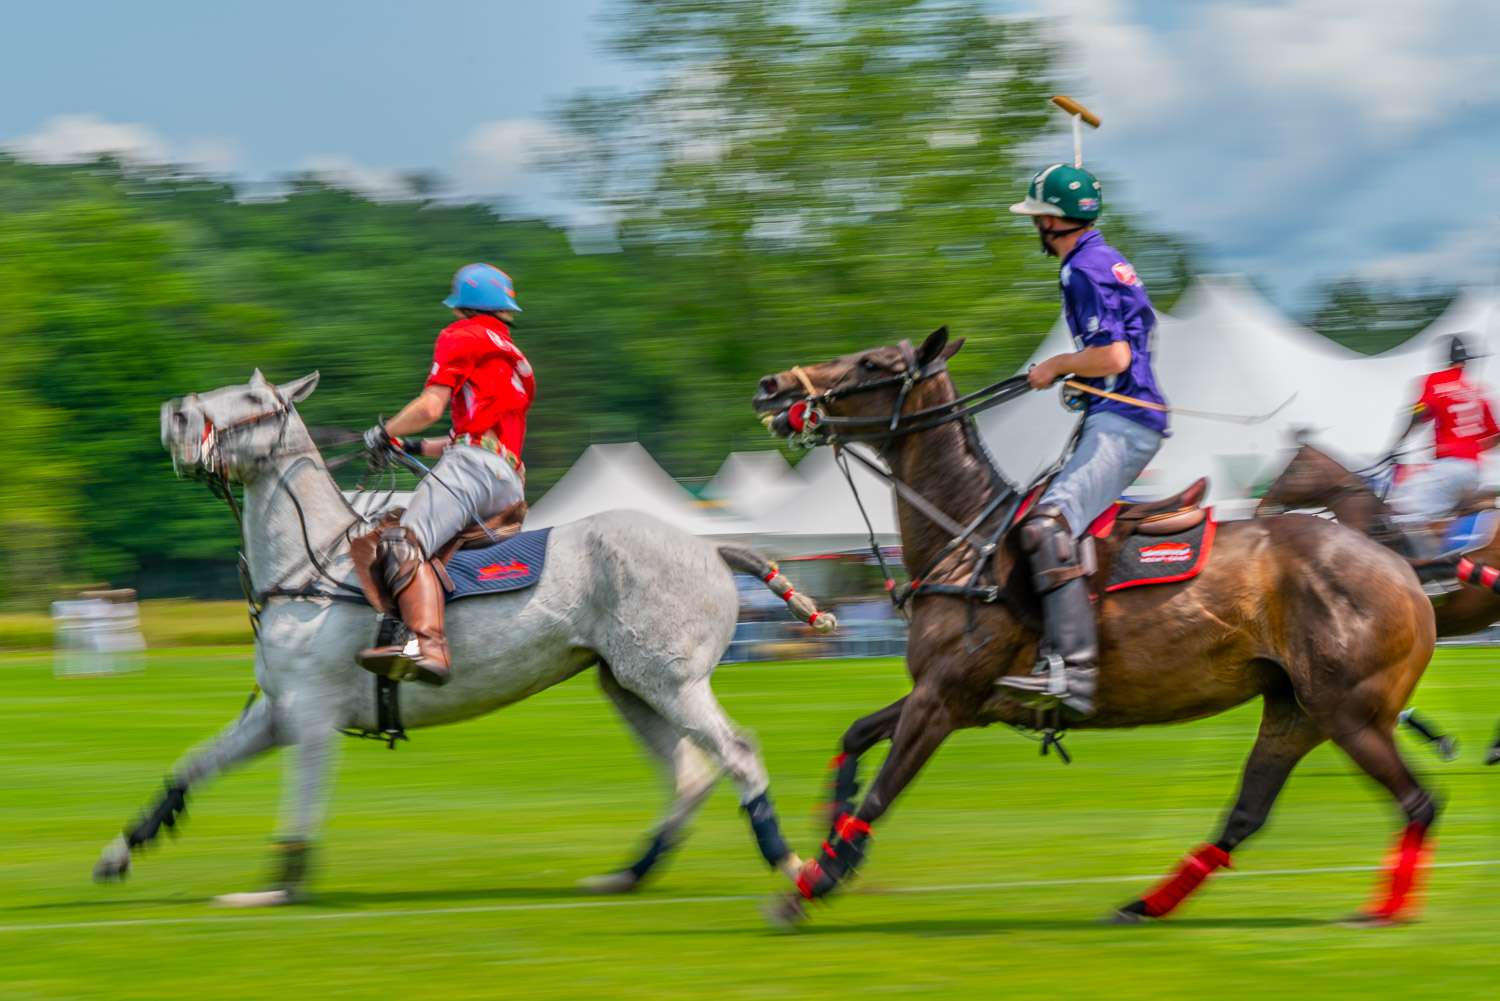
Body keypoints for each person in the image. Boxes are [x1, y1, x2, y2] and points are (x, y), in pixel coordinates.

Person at [994, 164, 1167, 719]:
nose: (1035, 228)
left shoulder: (1081, 271)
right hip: (1119, 411)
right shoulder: (1106, 256)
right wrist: (1084, 383)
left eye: (1037, 218)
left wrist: (1057, 367)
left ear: (1051, 221)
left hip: (1124, 420)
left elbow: (1114, 356)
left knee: (1048, 526)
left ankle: (1071, 670)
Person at [357, 263, 535, 685]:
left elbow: (429, 407)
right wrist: (412, 446)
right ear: (504, 309)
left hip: (472, 470)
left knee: (403, 543)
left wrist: (384, 432)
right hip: (506, 480)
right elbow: (467, 434)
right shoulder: (512, 355)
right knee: (426, 544)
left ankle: (427, 645)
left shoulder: (460, 335)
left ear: (463, 307)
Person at [1386, 334, 1499, 581]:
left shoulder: (1434, 382)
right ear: (1465, 362)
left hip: (1450, 467)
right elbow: (1496, 436)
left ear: (1445, 360)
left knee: (1403, 508)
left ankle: (1431, 576)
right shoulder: (1478, 391)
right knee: (1434, 515)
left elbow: (1418, 416)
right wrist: (1475, 446)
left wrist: (1396, 445)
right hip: (1474, 472)